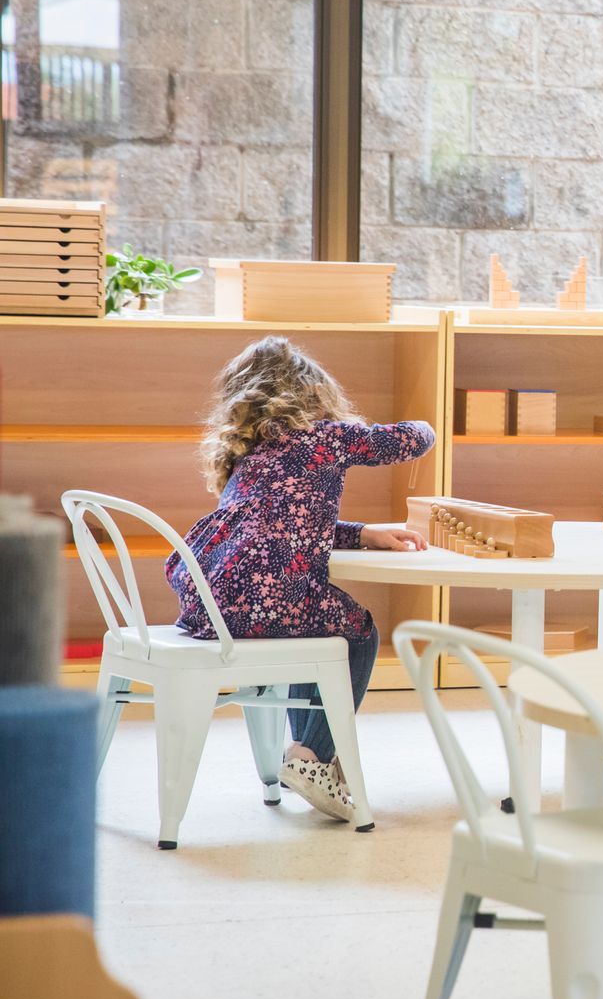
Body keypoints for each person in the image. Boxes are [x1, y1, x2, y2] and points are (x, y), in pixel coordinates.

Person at [165, 337, 434, 822]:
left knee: (314, 625)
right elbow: (410, 440)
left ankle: (311, 758)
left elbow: (287, 521)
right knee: (358, 630)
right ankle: (310, 758)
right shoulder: (325, 436)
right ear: (315, 394)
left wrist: (364, 534)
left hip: (211, 605)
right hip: (268, 605)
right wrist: (428, 423)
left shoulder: (249, 455)